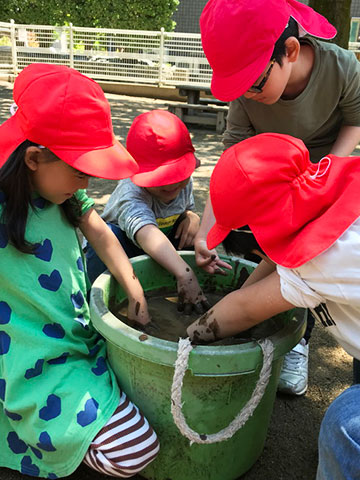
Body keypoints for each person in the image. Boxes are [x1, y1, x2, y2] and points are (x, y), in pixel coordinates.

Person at [0, 63, 160, 479]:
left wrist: (134, 287)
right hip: (27, 353)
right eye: (79, 171)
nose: (86, 183)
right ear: (33, 158)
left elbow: (104, 236)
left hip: (77, 337)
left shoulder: (65, 196)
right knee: (136, 449)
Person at [195, 0, 360, 395]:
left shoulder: (341, 68)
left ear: (289, 51)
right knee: (272, 253)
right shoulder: (248, 89)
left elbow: (355, 121)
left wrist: (324, 177)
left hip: (320, 178)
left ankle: (298, 344)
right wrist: (205, 233)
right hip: (276, 181)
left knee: (305, 275)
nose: (247, 94)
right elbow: (232, 155)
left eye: (253, 82)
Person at [186, 132, 360, 479]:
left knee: (344, 424)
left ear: (264, 225)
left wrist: (189, 334)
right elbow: (273, 263)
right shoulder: (333, 192)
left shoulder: (321, 260)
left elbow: (245, 311)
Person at [86, 109, 209, 315]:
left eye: (178, 174)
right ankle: (104, 306)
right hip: (123, 249)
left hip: (160, 245)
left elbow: (184, 209)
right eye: (161, 179)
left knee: (188, 231)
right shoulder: (131, 193)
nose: (173, 184)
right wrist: (185, 274)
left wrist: (191, 216)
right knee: (107, 238)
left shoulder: (183, 182)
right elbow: (145, 231)